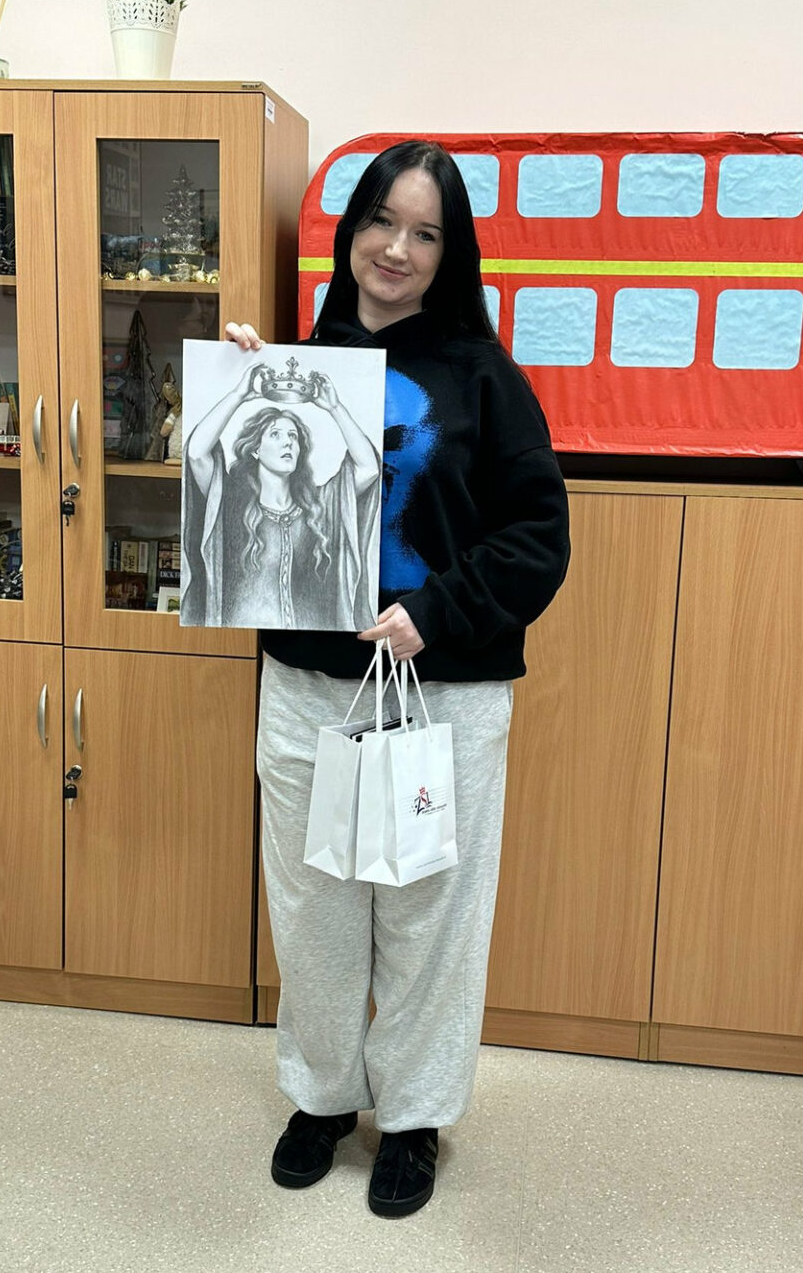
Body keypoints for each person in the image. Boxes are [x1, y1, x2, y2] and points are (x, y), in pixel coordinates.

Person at [225, 139, 570, 1217]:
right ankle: (324, 1096)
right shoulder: (295, 366)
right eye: (382, 220)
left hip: (442, 694)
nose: (397, 249)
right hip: (311, 687)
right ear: (352, 228)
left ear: (451, 253)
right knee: (316, 909)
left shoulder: (486, 378)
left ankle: (414, 1117)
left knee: (429, 912)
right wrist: (234, 394)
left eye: (426, 233)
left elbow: (537, 539)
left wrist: (438, 611)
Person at [178, 361, 380, 630]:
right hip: (240, 639)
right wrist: (238, 396)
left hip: (310, 644)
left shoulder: (319, 507)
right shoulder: (230, 503)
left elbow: (368, 469)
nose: (288, 442)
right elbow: (196, 454)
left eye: (293, 437)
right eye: (276, 435)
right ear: (255, 449)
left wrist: (335, 408)